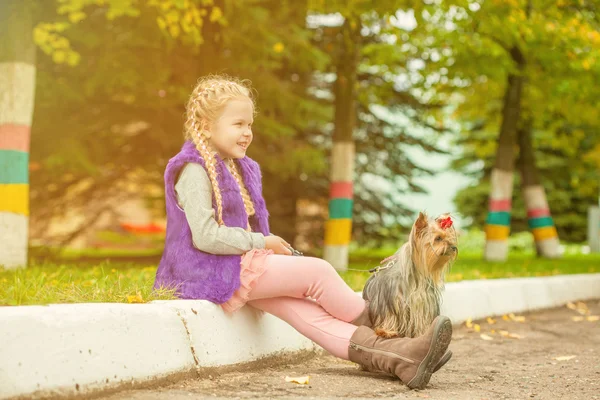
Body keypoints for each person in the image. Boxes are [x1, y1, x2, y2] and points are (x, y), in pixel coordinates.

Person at [153, 75, 452, 389]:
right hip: (207, 272)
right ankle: (398, 331)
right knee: (318, 272)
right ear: (205, 124)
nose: (247, 133)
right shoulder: (193, 170)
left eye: (250, 125)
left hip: (230, 267)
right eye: (238, 124)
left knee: (309, 316)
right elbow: (205, 236)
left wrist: (264, 245)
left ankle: (402, 357)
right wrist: (261, 241)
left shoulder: (229, 166)